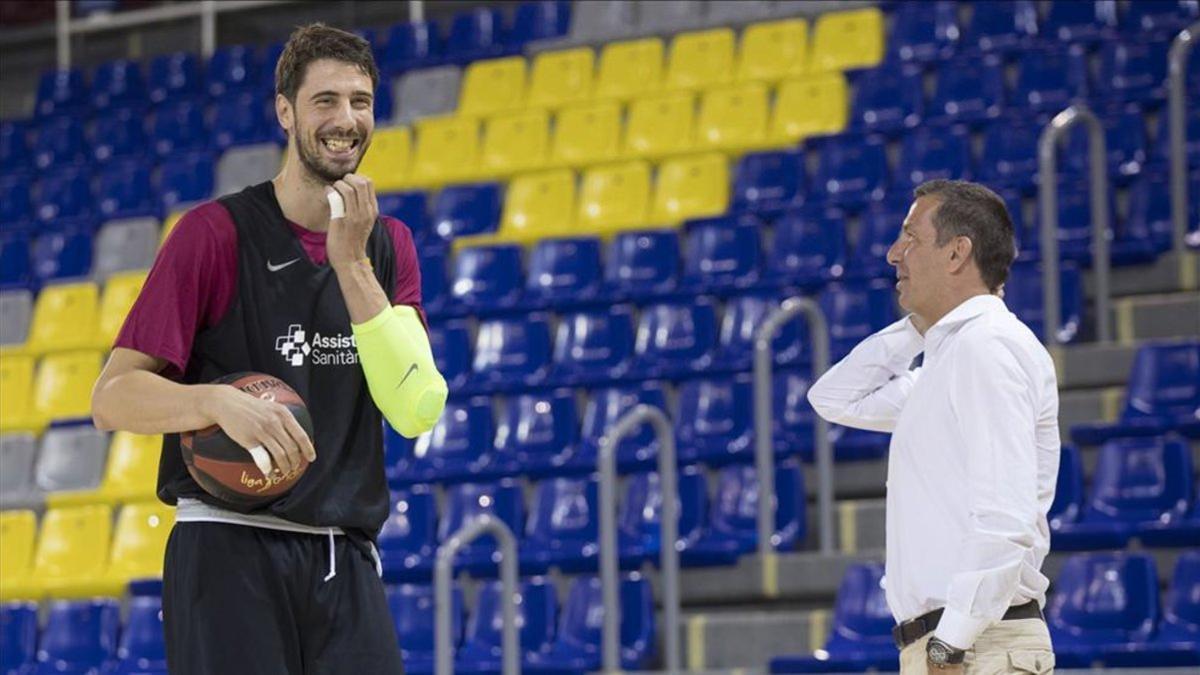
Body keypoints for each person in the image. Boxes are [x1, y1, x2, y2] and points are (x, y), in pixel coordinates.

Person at [91, 23, 447, 674]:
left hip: (344, 553)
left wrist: (350, 264)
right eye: (326, 100)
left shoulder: (388, 244)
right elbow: (112, 397)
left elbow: (418, 406)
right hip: (227, 549)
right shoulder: (213, 234)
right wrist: (215, 403)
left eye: (361, 101)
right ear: (285, 110)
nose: (347, 119)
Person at [808, 180, 1059, 674]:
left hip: (973, 646)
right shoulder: (951, 357)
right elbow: (833, 398)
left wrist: (951, 642)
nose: (892, 253)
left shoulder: (985, 348)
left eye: (911, 238)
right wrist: (918, 327)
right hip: (958, 645)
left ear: (957, 253)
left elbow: (1006, 517)